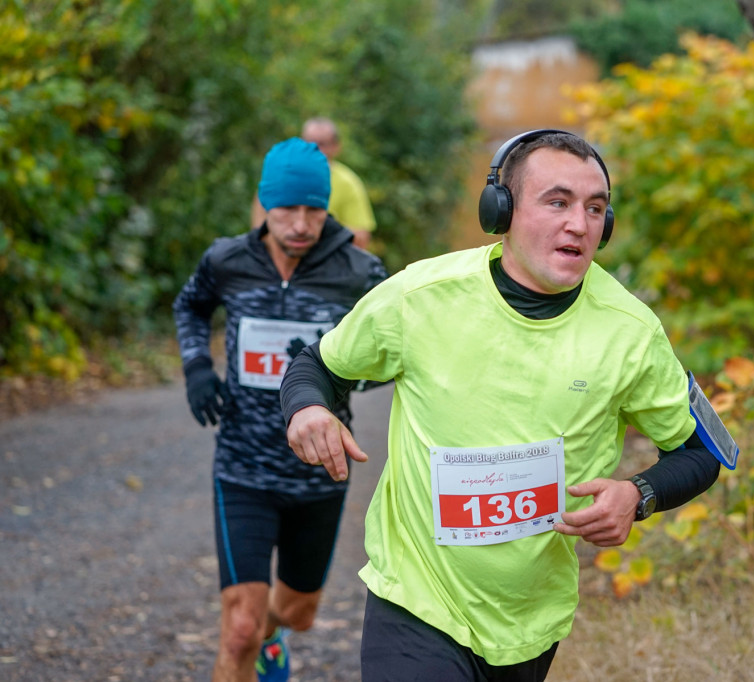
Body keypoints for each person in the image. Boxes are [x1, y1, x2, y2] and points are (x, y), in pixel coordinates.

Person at [279, 130, 723, 681]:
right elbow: (317, 365)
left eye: (595, 209)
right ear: (501, 210)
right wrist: (308, 408)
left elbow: (701, 452)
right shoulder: (421, 296)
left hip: (530, 620)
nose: (579, 224)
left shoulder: (631, 332)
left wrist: (638, 494)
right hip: (417, 600)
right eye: (557, 202)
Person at [174, 137, 388, 682]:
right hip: (242, 467)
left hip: (318, 470)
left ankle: (274, 636)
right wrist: (197, 366)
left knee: (297, 613)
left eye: (313, 210)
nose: (300, 224)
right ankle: (255, 639)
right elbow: (191, 304)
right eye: (287, 209)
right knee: (239, 628)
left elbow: (393, 352)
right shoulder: (228, 260)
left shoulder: (359, 272)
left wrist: (341, 378)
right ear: (264, 204)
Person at [251, 117, 378, 251]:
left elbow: (361, 238)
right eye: (308, 142)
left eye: (322, 144)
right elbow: (259, 228)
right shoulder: (282, 175)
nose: (314, 149)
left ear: (336, 147)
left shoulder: (348, 184)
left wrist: (320, 233)